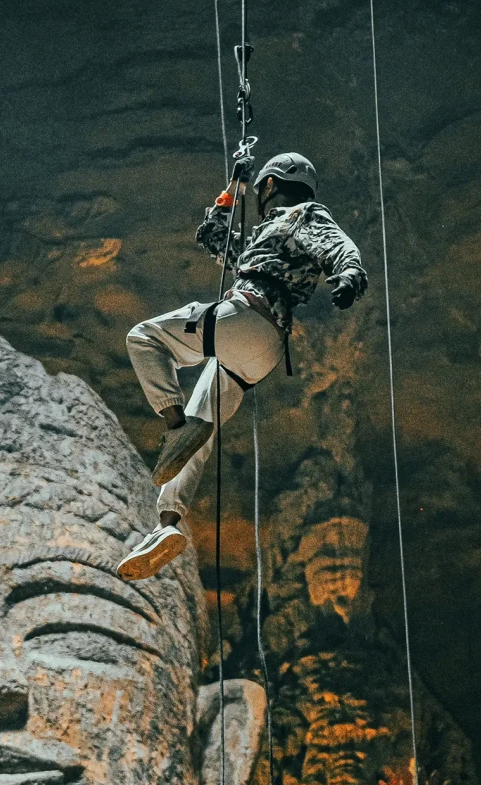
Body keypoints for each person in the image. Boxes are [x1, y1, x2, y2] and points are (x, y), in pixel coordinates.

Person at [117, 151, 368, 582]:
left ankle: (175, 426)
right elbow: (213, 237)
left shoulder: (300, 215)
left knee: (144, 337)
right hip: (265, 350)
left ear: (270, 185)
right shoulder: (269, 240)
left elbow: (338, 244)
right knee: (204, 424)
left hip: (247, 316)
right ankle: (167, 524)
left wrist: (350, 274)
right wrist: (234, 186)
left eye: (259, 189)